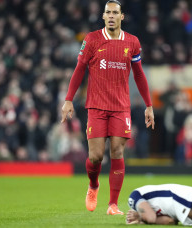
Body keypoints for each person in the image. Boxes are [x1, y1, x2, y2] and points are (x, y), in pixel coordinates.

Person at [61, 0, 155, 215]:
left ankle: (113, 204)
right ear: (103, 16)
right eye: (107, 12)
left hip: (121, 107)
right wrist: (68, 99)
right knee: (95, 156)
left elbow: (139, 74)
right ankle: (93, 185)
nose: (111, 16)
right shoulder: (92, 39)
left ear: (122, 17)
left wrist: (149, 105)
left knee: (117, 150)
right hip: (96, 107)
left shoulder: (132, 42)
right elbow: (79, 69)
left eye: (115, 12)